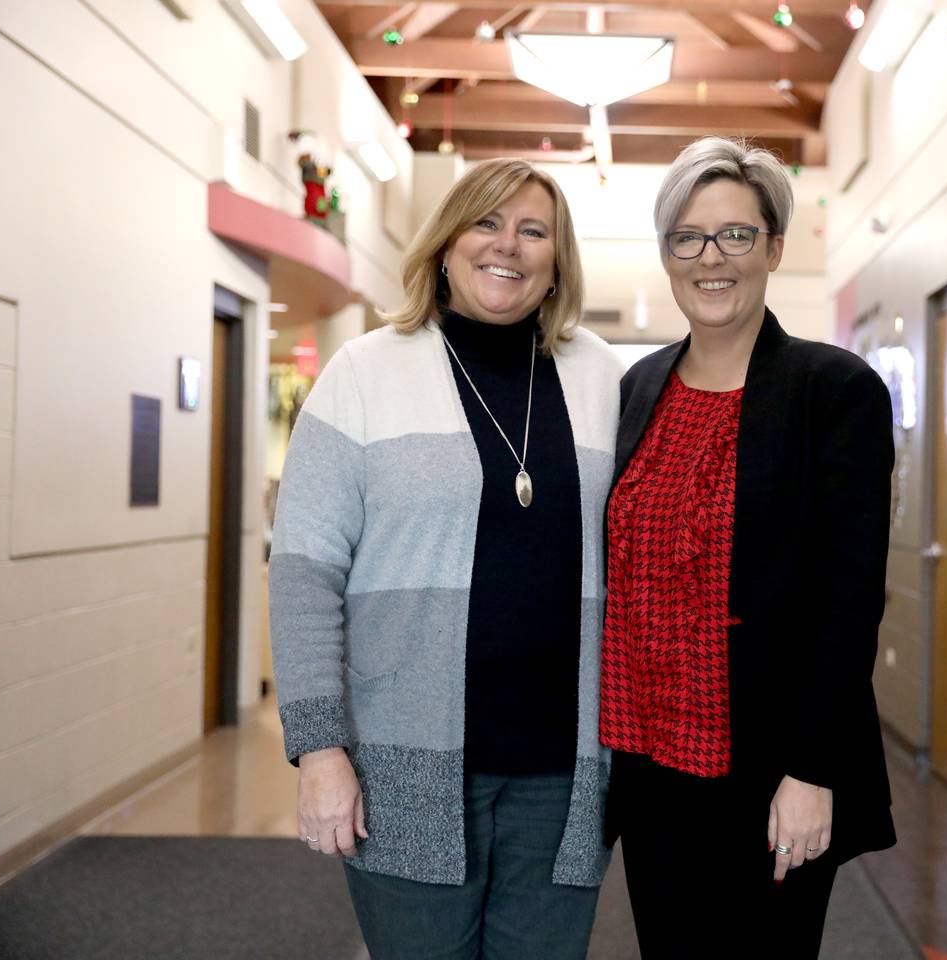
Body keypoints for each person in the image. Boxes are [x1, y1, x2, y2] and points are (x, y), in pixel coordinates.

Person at [269, 158, 622, 960]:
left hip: (563, 772)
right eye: (487, 223)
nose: (510, 246)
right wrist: (319, 750)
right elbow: (304, 574)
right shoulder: (364, 372)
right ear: (445, 243)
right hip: (403, 767)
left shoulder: (604, 376)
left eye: (534, 231)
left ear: (558, 259)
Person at [600, 137, 896, 959]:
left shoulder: (831, 391)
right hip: (652, 766)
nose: (711, 258)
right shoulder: (638, 389)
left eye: (735, 234)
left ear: (772, 247)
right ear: (666, 256)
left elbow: (848, 603)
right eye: (687, 238)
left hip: (771, 772)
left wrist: (812, 771)